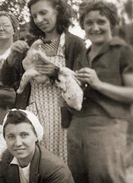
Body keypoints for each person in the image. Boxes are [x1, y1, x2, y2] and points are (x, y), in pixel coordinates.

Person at [0, 0, 87, 163]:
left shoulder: (74, 43)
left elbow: (81, 84)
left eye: (43, 13)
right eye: (34, 16)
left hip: (64, 118)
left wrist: (56, 72)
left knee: (63, 163)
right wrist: (12, 57)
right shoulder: (31, 44)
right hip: (34, 113)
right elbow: (7, 80)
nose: (39, 19)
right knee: (37, 162)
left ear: (58, 11)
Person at [67, 1, 133, 182]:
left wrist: (98, 84)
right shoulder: (83, 56)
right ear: (83, 25)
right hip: (76, 126)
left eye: (101, 21)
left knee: (106, 178)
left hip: (107, 126)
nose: (95, 27)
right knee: (78, 178)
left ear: (111, 22)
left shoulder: (123, 52)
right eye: (89, 22)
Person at [0, 109, 74, 183]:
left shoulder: (54, 169)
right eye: (11, 136)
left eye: (24, 135)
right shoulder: (6, 158)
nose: (18, 143)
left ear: (36, 136)